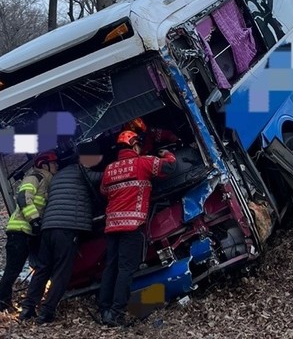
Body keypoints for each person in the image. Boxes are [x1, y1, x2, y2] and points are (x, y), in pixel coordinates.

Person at [97, 130, 177, 327]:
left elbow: (103, 191)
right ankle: (116, 313)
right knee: (126, 269)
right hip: (132, 225)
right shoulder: (143, 162)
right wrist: (167, 154)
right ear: (134, 146)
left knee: (111, 267)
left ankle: (104, 308)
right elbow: (170, 168)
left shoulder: (109, 169)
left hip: (112, 225)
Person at [19, 142, 104, 324]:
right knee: (62, 272)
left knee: (42, 269)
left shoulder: (56, 178)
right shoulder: (82, 172)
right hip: (67, 228)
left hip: (48, 228)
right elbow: (102, 178)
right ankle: (46, 312)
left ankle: (27, 308)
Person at [0, 150, 58, 313]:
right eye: (54, 163)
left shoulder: (46, 181)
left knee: (41, 266)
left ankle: (37, 299)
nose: (56, 165)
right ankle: (2, 303)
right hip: (20, 231)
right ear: (44, 164)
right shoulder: (35, 177)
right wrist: (35, 220)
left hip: (30, 232)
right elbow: (23, 197)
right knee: (13, 269)